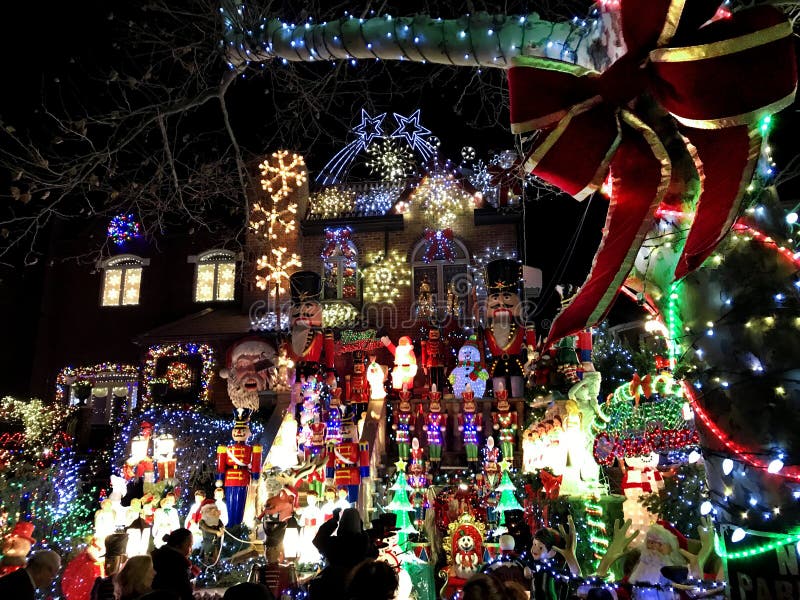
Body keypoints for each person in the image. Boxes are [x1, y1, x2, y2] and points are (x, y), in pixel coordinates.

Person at [309, 508, 378, 598]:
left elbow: (318, 540)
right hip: (357, 587)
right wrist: (362, 531)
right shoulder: (364, 544)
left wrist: (334, 520)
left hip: (333, 587)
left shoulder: (335, 543)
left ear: (342, 523)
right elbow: (375, 553)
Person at [151, 529, 194, 600]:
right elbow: (186, 593)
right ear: (178, 545)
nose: (191, 550)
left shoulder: (157, 554)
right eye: (189, 545)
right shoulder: (179, 563)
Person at [90, 533, 128, 600]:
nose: (107, 565)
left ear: (123, 559)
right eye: (107, 559)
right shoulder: (100, 584)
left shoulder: (127, 584)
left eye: (113, 560)